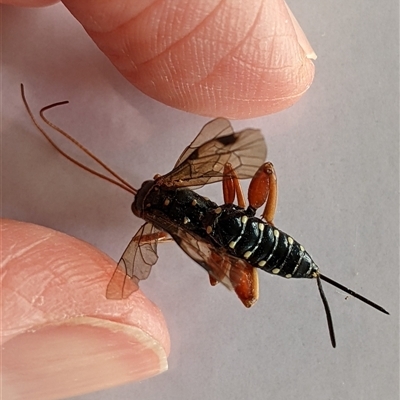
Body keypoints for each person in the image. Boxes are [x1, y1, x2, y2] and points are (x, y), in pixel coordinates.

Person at [1, 1, 316, 398]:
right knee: (257, 184)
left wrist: (217, 258)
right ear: (162, 182)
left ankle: (257, 229)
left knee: (240, 273)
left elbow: (171, 245)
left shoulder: (164, 232)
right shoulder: (178, 187)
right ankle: (260, 225)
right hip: (248, 226)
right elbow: (231, 148)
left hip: (242, 235)